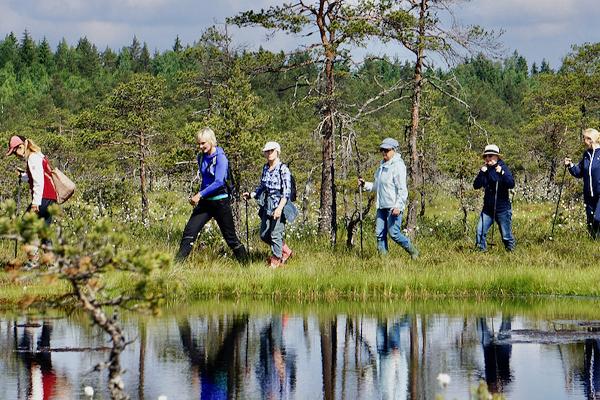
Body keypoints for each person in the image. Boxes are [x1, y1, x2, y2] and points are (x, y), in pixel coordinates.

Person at [175, 127, 248, 262]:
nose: (201, 146)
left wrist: (199, 195)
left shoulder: (221, 158)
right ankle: (176, 266)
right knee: (189, 233)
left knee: (230, 238)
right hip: (205, 203)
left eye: (203, 143)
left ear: (211, 141)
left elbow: (219, 181)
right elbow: (205, 179)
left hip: (220, 202)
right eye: (199, 143)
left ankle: (247, 266)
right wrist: (201, 196)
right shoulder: (201, 157)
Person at [358, 137, 418, 259]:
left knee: (394, 233)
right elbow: (377, 186)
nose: (384, 152)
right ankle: (384, 261)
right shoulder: (382, 166)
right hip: (381, 206)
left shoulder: (398, 166)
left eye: (386, 150)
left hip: (393, 207)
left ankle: (414, 252)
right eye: (382, 150)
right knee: (380, 234)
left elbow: (402, 189)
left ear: (394, 150)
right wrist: (365, 184)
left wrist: (398, 206)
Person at [243, 141, 297, 269]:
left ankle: (276, 261)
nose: (269, 153)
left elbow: (286, 192)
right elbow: (262, 186)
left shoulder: (283, 169)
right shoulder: (266, 168)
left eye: (271, 151)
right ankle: (286, 251)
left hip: (280, 205)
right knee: (264, 234)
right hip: (268, 205)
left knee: (275, 234)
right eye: (267, 151)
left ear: (277, 151)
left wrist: (279, 208)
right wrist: (251, 194)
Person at [5, 135, 57, 226]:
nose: (16, 155)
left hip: (43, 198)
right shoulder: (37, 155)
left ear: (21, 147)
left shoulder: (33, 158)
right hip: (50, 198)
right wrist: (22, 176)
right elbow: (34, 177)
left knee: (25, 226)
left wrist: (35, 203)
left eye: (15, 152)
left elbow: (38, 181)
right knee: (44, 231)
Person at [473, 144, 516, 251]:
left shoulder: (503, 167)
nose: (487, 158)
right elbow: (476, 185)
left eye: (490, 156)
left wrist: (501, 172)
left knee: (506, 236)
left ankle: (511, 254)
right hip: (488, 209)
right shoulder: (485, 169)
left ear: (497, 157)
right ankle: (481, 254)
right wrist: (482, 173)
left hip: (502, 209)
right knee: (480, 232)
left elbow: (511, 184)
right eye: (485, 156)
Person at [565, 128, 600, 239]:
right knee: (590, 220)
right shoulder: (586, 155)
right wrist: (570, 165)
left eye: (585, 138)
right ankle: (592, 244)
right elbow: (579, 172)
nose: (583, 141)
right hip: (588, 194)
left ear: (591, 139)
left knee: (597, 218)